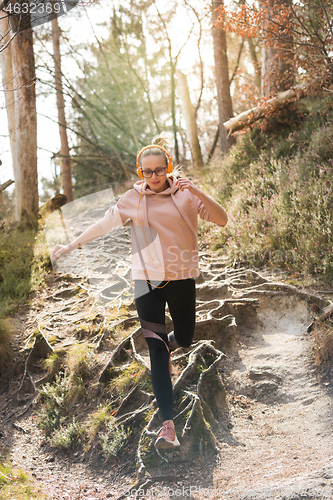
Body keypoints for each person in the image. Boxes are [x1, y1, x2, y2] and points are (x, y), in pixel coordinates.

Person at [51, 135, 227, 450]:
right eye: (148, 171)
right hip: (145, 283)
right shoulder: (132, 199)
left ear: (169, 167)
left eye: (160, 169)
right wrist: (70, 246)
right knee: (156, 349)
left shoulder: (186, 195)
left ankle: (173, 346)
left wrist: (196, 189)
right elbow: (102, 225)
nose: (155, 176)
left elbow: (222, 219)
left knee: (184, 338)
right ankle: (168, 427)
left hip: (182, 278)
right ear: (140, 171)